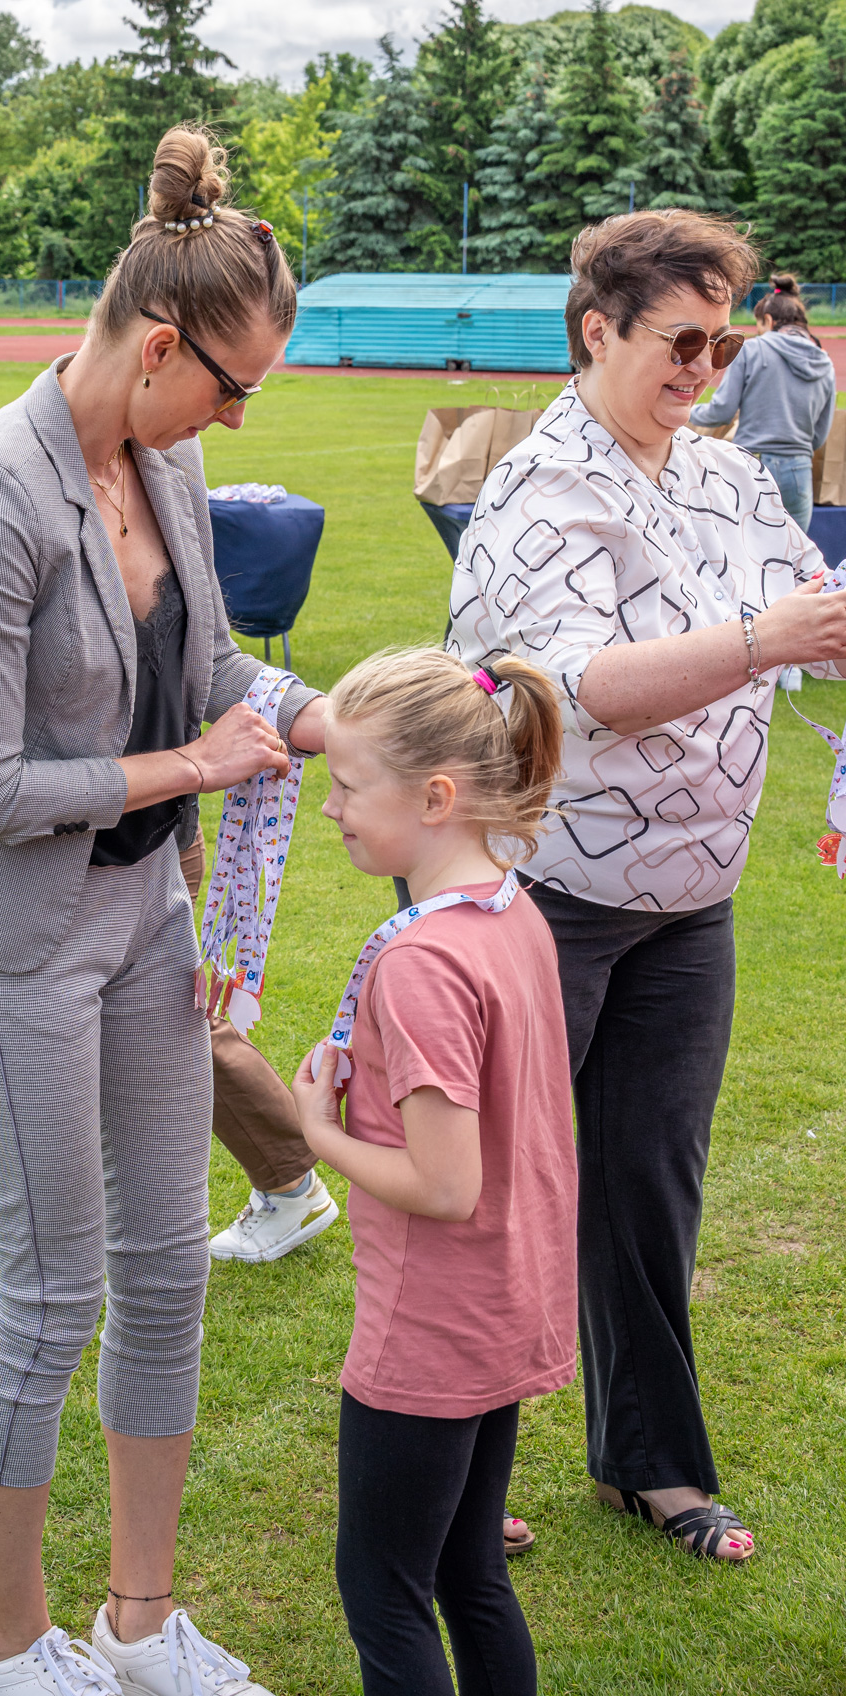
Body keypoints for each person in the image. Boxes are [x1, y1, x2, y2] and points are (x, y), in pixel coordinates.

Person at [0, 123, 335, 1696]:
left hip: (145, 918)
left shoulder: (169, 460)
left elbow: (210, 669)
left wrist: (324, 716)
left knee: (166, 1271)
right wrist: (192, 767)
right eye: (235, 386)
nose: (237, 416)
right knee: (50, 1296)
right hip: (15, 936)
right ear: (160, 347)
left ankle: (140, 1630)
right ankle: (9, 1654)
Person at [448, 209, 846, 1566]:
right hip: (539, 896)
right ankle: (454, 1475)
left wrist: (818, 628)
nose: (704, 368)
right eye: (681, 341)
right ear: (595, 331)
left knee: (650, 1185)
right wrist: (759, 638)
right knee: (492, 1193)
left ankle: (649, 1465)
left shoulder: (724, 477)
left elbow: (809, 616)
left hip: (686, 901)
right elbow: (570, 691)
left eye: (721, 343)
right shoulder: (539, 486)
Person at [291, 648, 576, 1696]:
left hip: (431, 1327)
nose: (329, 808)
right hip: (504, 1300)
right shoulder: (512, 910)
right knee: (467, 1569)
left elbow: (445, 1187)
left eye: (346, 785)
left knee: (382, 1589)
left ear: (435, 797)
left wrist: (316, 1132)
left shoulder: (421, 963)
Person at [0, 820, 336, 1277]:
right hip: (95, 853)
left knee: (146, 1024)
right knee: (71, 1029)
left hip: (125, 855)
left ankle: (291, 1184)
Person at [691, 272, 836, 531]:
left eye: (759, 325)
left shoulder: (752, 349)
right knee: (794, 552)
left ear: (768, 320)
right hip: (799, 470)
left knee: (746, 548)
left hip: (752, 464)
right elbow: (820, 434)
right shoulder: (824, 362)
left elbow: (722, 411)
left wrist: (688, 411)